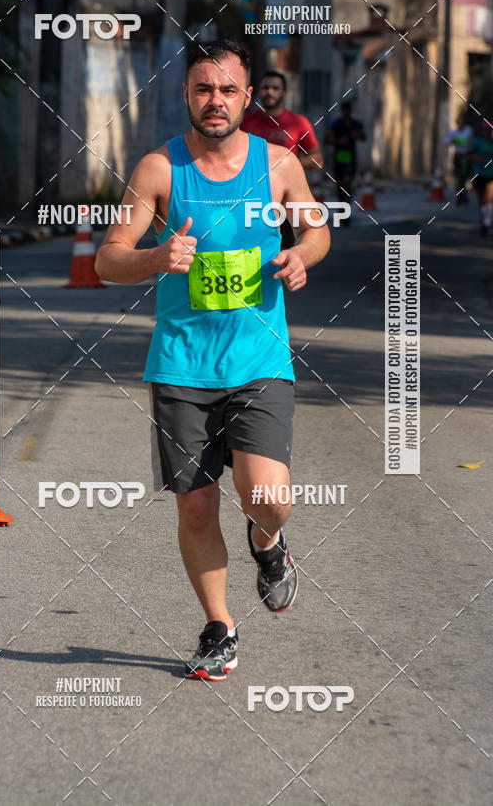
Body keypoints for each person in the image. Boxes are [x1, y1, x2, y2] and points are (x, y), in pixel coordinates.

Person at [96, 40, 330, 681]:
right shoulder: (159, 170)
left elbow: (317, 228)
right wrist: (153, 258)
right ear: (187, 97)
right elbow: (107, 258)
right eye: (204, 90)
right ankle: (220, 626)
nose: (216, 101)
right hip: (180, 365)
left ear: (247, 97)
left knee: (267, 496)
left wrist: (303, 255)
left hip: (259, 359)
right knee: (196, 506)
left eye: (228, 90)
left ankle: (268, 541)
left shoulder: (279, 164)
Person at [241, 71, 323, 248]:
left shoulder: (298, 123)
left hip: (285, 201)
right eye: (265, 88)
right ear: (256, 91)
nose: (269, 92)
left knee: (284, 252)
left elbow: (318, 160)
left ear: (284, 93)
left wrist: (287, 166)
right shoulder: (245, 122)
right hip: (248, 198)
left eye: (275, 88)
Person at [324, 101, 366, 223]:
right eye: (344, 110)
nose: (346, 112)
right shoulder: (335, 124)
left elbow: (364, 137)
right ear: (342, 111)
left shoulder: (356, 124)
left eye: (348, 110)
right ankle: (342, 206)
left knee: (347, 183)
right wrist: (338, 141)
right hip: (338, 158)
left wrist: (357, 135)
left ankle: (346, 211)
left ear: (350, 111)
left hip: (350, 159)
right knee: (339, 185)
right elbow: (326, 140)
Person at [469, 122, 493, 236]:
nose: (489, 133)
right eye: (486, 130)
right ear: (483, 132)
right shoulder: (478, 142)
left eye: (490, 130)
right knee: (481, 201)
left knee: (488, 198)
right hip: (479, 174)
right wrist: (476, 158)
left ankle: (486, 223)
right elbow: (467, 154)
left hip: (491, 175)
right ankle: (483, 220)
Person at [444, 113, 473, 205]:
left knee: (463, 177)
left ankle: (463, 194)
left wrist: (455, 140)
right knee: (457, 177)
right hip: (457, 156)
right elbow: (445, 142)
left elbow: (465, 141)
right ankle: (461, 195)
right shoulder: (453, 132)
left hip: (466, 157)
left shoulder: (468, 130)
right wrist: (454, 140)